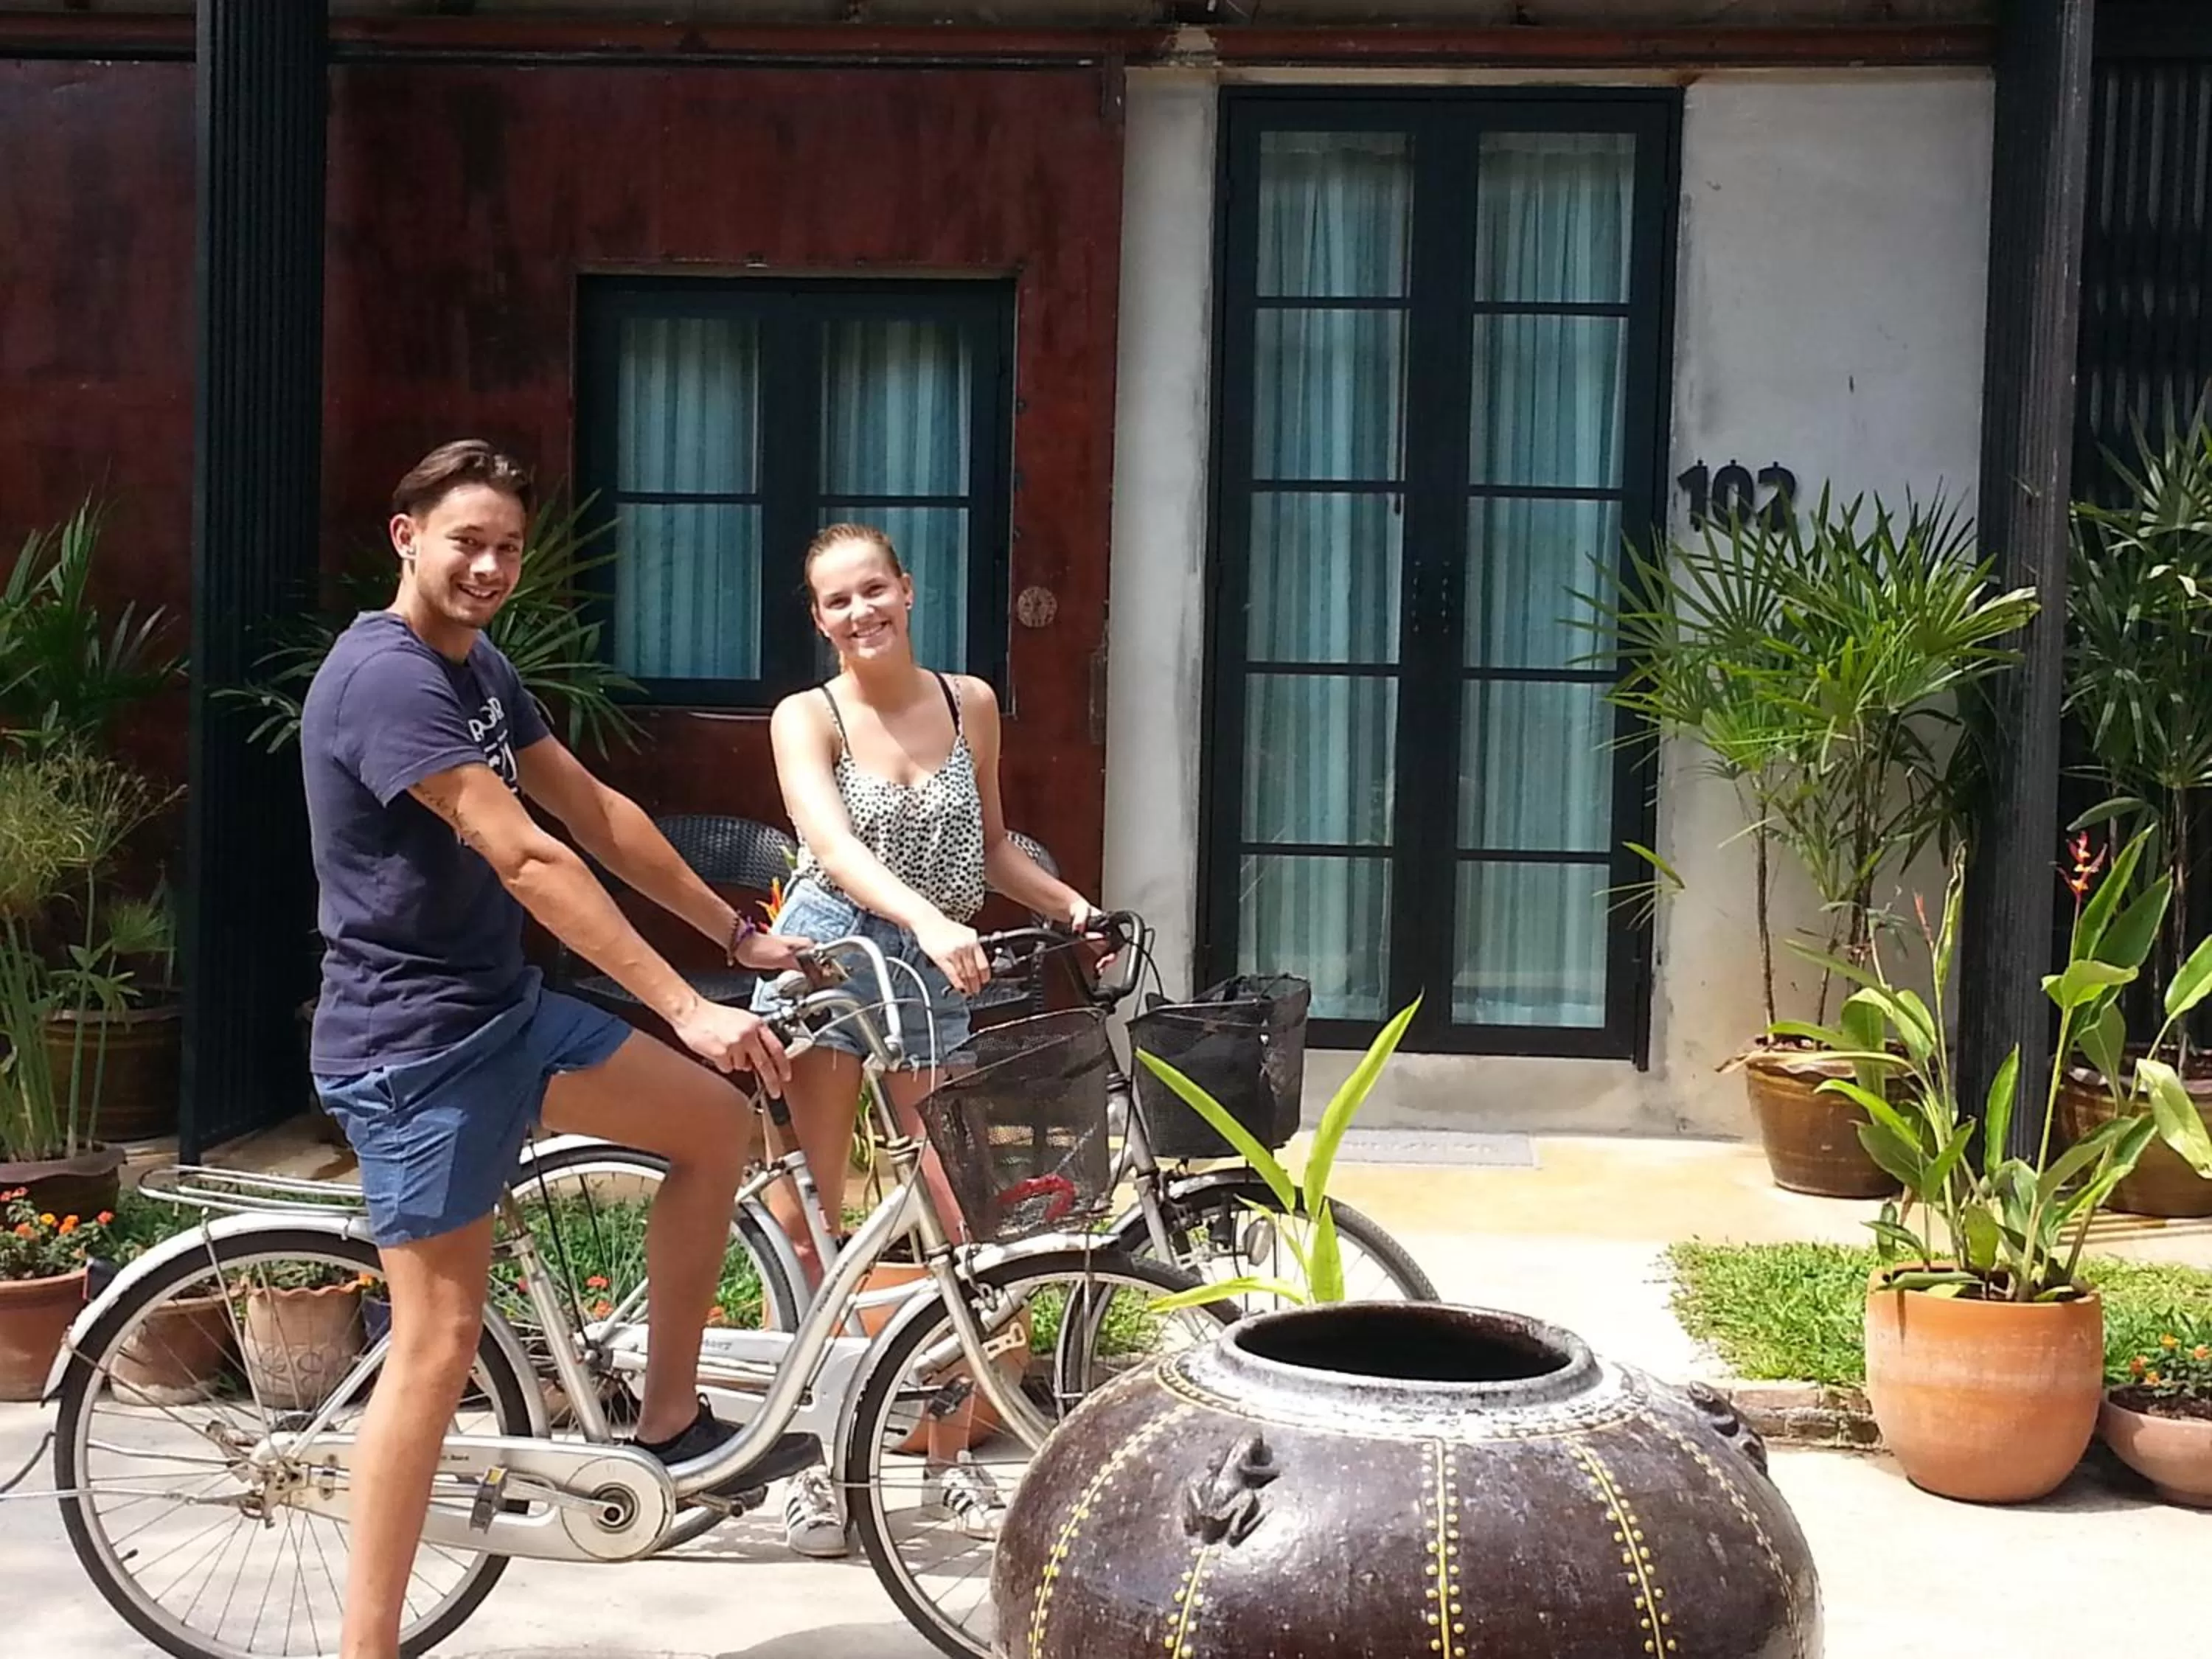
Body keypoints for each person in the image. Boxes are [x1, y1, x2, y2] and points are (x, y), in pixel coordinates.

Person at [302, 440, 815, 1659]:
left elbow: (593, 812)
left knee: (713, 1122)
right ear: (404, 535)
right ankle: (363, 1647)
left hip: (504, 1011)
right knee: (434, 1349)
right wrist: (685, 1008)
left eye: (508, 547)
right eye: (465, 540)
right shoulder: (385, 680)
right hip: (414, 1046)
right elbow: (526, 854)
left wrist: (734, 936)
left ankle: (671, 1418)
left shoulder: (475, 666)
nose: (488, 565)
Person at [755, 521, 1105, 1558]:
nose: (861, 612)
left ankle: (947, 1453)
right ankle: (812, 1466)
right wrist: (929, 918)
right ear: (818, 619)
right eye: (838, 601)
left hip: (935, 964)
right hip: (836, 961)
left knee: (961, 1216)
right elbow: (830, 846)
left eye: (875, 589)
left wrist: (1068, 901)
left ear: (908, 591)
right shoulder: (806, 714)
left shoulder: (970, 703)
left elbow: (989, 845)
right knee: (812, 1215)